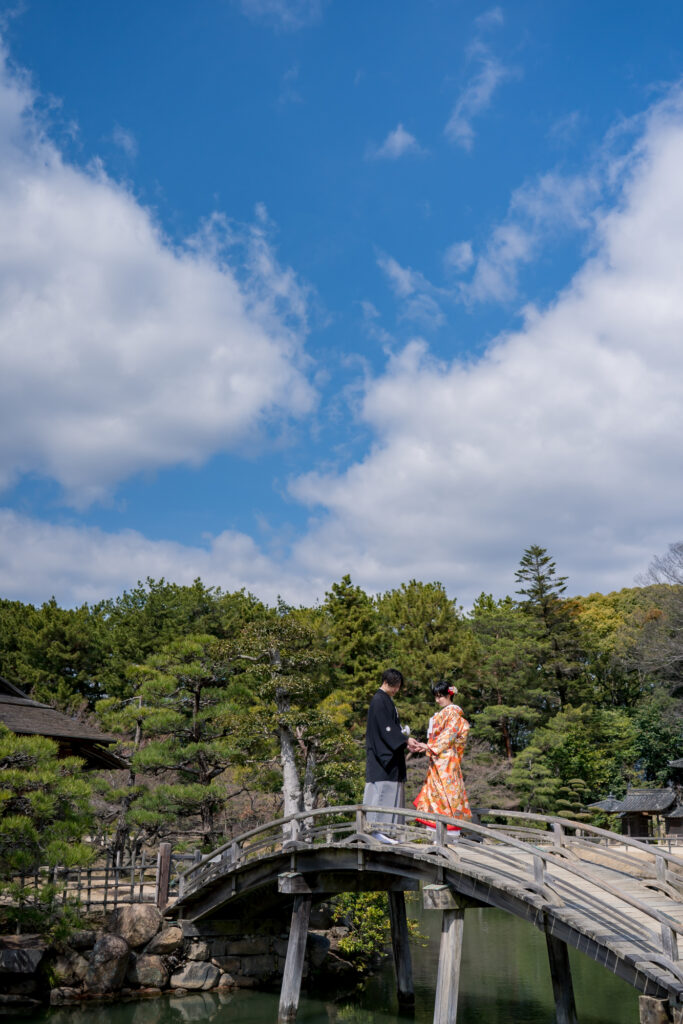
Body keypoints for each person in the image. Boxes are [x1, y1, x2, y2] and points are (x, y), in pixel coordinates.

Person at [364, 668, 420, 844]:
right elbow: (386, 729)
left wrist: (404, 739)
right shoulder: (379, 700)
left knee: (390, 793)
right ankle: (377, 831)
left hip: (390, 756)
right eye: (395, 686)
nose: (397, 690)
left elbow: (391, 729)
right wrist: (404, 740)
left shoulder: (385, 700)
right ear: (387, 683)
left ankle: (387, 832)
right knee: (381, 793)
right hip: (382, 758)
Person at [412, 680, 471, 839]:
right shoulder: (444, 713)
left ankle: (448, 832)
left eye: (441, 696)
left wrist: (429, 747)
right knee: (437, 793)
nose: (438, 700)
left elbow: (449, 735)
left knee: (447, 794)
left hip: (446, 760)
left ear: (449, 696)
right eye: (436, 697)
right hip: (438, 757)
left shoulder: (452, 713)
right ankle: (436, 831)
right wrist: (427, 747)